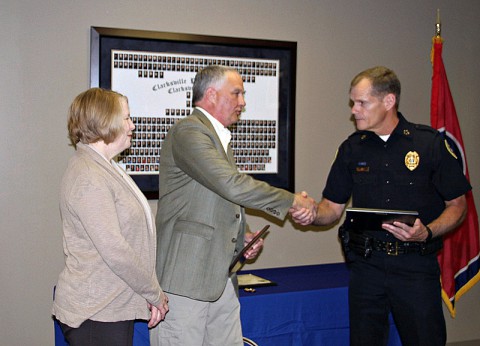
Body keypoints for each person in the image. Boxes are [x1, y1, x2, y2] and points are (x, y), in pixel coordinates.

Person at [293, 66, 471, 346]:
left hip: (415, 266)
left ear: (388, 101)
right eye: (353, 102)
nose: (354, 110)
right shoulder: (352, 149)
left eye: (362, 102)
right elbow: (333, 208)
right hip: (367, 267)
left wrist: (428, 231)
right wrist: (311, 212)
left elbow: (458, 206)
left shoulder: (429, 145)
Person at [149, 65, 316, 346]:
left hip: (220, 278)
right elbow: (231, 184)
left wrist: (242, 238)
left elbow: (218, 198)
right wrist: (291, 201)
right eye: (236, 93)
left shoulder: (218, 139)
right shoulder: (188, 133)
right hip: (186, 280)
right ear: (212, 95)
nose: (243, 102)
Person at [52, 88, 169, 346]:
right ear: (105, 122)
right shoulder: (89, 176)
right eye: (126, 118)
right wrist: (154, 293)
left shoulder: (105, 166)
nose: (132, 125)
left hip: (110, 308)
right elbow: (116, 250)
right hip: (96, 313)